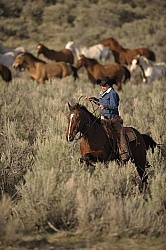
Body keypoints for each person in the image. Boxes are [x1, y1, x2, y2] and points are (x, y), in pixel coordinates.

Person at [87, 76, 130, 163]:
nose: (102, 87)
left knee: (120, 132)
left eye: (104, 85)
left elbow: (114, 106)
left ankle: (124, 152)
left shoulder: (112, 93)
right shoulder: (102, 93)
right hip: (103, 118)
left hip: (113, 119)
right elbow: (100, 102)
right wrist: (94, 99)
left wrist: (105, 106)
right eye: (101, 85)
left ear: (108, 85)